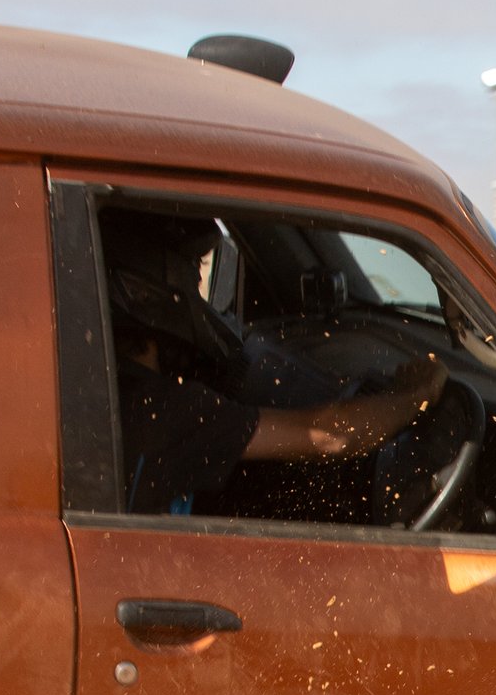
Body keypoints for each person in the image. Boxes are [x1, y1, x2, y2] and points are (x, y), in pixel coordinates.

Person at [102, 209, 445, 515]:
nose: (197, 293)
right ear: (146, 292)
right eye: (192, 274)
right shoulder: (161, 410)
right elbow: (330, 436)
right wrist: (416, 396)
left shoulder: (107, 394)